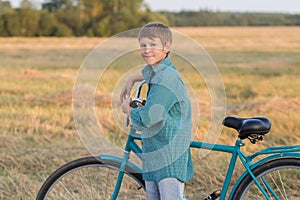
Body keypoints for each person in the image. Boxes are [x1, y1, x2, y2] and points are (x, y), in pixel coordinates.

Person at [120, 22, 193, 200]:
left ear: (167, 47)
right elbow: (154, 74)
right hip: (157, 151)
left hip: (168, 154)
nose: (147, 50)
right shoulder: (161, 72)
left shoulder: (166, 77)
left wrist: (128, 110)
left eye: (153, 45)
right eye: (143, 45)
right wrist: (133, 78)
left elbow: (149, 117)